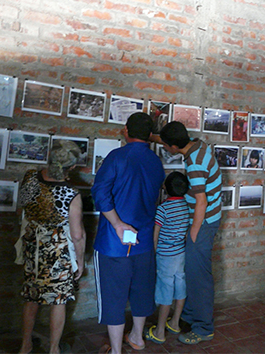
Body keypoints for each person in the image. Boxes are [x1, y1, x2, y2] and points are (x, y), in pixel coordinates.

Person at [92, 113, 165, 354]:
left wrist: (117, 223)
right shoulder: (156, 161)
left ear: (125, 131)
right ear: (150, 136)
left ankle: (115, 350)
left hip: (115, 241)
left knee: (114, 295)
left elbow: (100, 193)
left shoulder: (117, 157)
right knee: (142, 289)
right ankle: (137, 337)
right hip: (143, 240)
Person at [14, 140, 86, 354]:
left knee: (31, 296)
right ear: (71, 167)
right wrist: (80, 261)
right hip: (57, 253)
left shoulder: (29, 177)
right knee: (59, 300)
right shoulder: (70, 195)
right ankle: (54, 349)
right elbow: (77, 234)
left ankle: (25, 345)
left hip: (32, 248)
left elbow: (22, 211)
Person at [157, 121, 222, 345]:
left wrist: (193, 233)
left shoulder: (194, 163)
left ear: (174, 147)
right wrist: (151, 136)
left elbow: (201, 202)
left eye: (166, 146)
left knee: (198, 276)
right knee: (192, 272)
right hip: (206, 219)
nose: (165, 148)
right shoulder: (197, 145)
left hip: (202, 223)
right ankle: (190, 316)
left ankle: (204, 328)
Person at [145, 171, 190, 345]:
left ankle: (160, 331)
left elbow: (155, 236)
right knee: (180, 285)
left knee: (165, 291)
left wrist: (153, 256)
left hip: (165, 256)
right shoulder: (185, 205)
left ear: (165, 187)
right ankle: (175, 323)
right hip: (181, 254)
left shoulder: (162, 209)